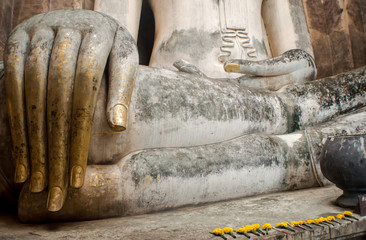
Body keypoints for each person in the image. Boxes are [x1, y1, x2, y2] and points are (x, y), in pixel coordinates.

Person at [1, 1, 366, 221]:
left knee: (311, 108)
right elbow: (114, 34)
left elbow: (303, 58)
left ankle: (292, 138)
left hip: (283, 95)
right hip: (177, 93)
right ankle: (296, 140)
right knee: (91, 111)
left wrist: (293, 64)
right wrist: (94, 30)